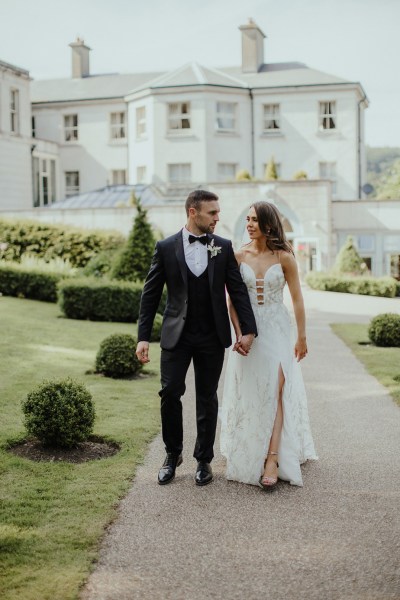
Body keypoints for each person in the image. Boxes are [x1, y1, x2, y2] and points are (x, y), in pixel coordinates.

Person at [136, 190, 257, 486]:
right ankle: (171, 454)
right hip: (176, 335)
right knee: (169, 393)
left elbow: (238, 291)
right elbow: (150, 295)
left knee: (206, 397)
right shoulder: (165, 247)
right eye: (212, 213)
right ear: (193, 212)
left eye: (218, 212)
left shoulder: (223, 247)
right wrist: (142, 337)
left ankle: (203, 459)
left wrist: (249, 330)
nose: (218, 218)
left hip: (212, 336)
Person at [220, 201, 317, 491]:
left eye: (254, 220)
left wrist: (302, 336)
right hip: (249, 333)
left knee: (277, 390)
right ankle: (249, 446)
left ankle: (272, 457)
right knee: (251, 389)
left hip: (277, 329)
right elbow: (232, 301)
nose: (249, 224)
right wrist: (239, 334)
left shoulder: (285, 257)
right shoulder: (237, 256)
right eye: (247, 219)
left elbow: (298, 299)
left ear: (269, 225)